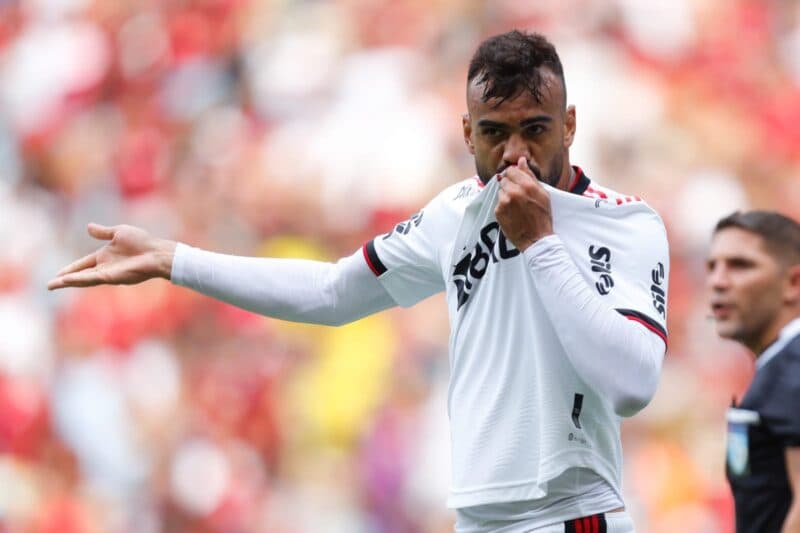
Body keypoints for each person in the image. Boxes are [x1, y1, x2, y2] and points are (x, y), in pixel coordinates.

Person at [49, 30, 669, 533]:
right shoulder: (454, 213)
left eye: (535, 129)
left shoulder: (625, 224)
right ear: (465, 133)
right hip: (477, 519)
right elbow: (334, 292)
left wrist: (540, 243)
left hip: (570, 518)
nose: (515, 156)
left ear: (569, 125)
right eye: (494, 133)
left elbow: (632, 384)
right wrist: (175, 260)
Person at [707, 211, 800, 533]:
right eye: (712, 266)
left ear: (793, 283)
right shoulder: (779, 364)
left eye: (740, 265)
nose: (717, 281)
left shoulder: (793, 365)